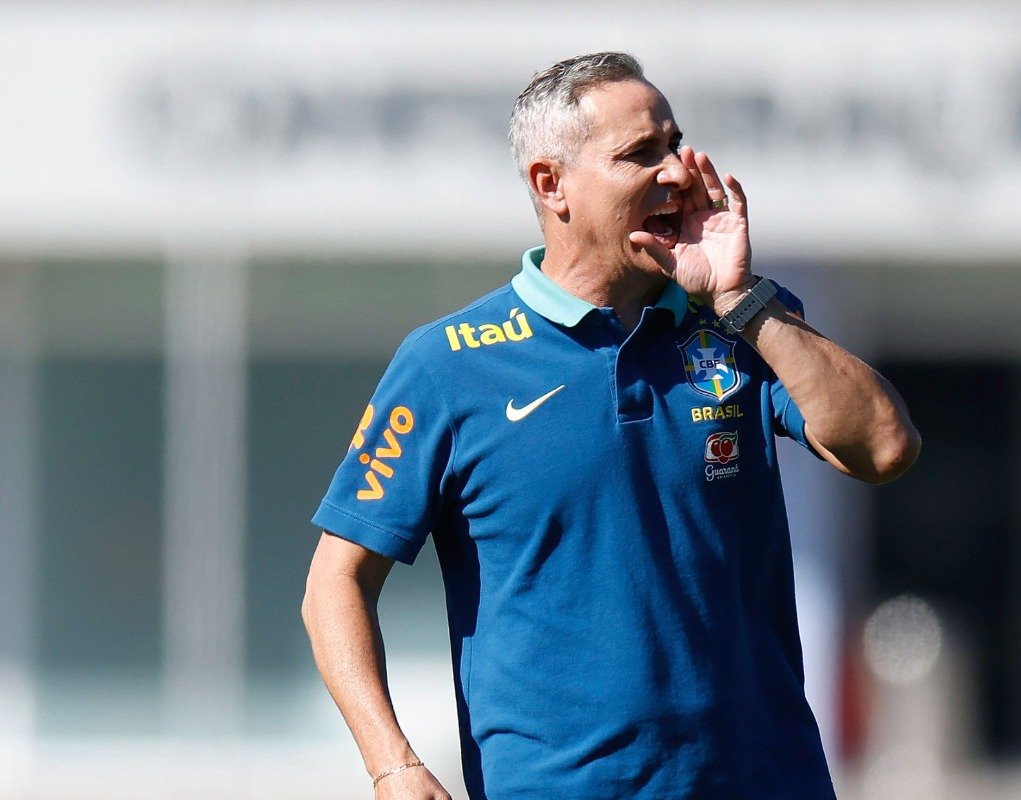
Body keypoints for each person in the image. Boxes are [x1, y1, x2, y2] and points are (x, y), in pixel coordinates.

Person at [302, 51, 920, 800]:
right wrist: (392, 762)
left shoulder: (739, 326)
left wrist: (744, 300)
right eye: (639, 154)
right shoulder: (447, 364)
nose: (675, 172)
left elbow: (885, 446)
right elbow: (335, 581)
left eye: (674, 144)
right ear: (550, 184)